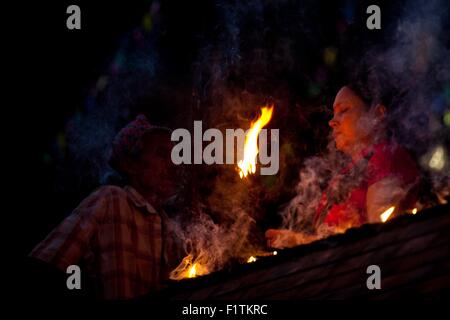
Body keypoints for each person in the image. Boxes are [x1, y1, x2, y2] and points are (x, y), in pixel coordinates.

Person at [29, 114, 181, 299]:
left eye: (175, 155)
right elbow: (48, 260)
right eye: (162, 154)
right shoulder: (111, 199)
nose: (174, 164)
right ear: (130, 164)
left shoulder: (170, 227)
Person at [266, 85, 420, 249]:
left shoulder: (387, 155)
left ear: (378, 114)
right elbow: (334, 241)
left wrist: (300, 243)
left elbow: (378, 237)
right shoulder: (348, 172)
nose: (332, 121)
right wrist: (298, 241)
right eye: (334, 113)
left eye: (344, 110)